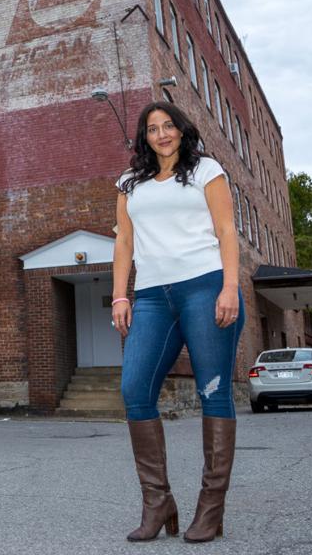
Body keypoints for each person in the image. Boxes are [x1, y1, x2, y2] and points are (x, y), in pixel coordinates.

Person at [111, 101, 243, 543]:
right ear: (144, 137)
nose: (162, 134)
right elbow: (124, 242)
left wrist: (229, 288)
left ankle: (211, 508)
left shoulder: (206, 170)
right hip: (151, 295)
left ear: (182, 131)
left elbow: (226, 231)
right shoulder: (131, 182)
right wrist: (119, 295)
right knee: (134, 389)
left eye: (169, 126)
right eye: (153, 128)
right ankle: (157, 501)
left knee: (213, 390)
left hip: (205, 287)